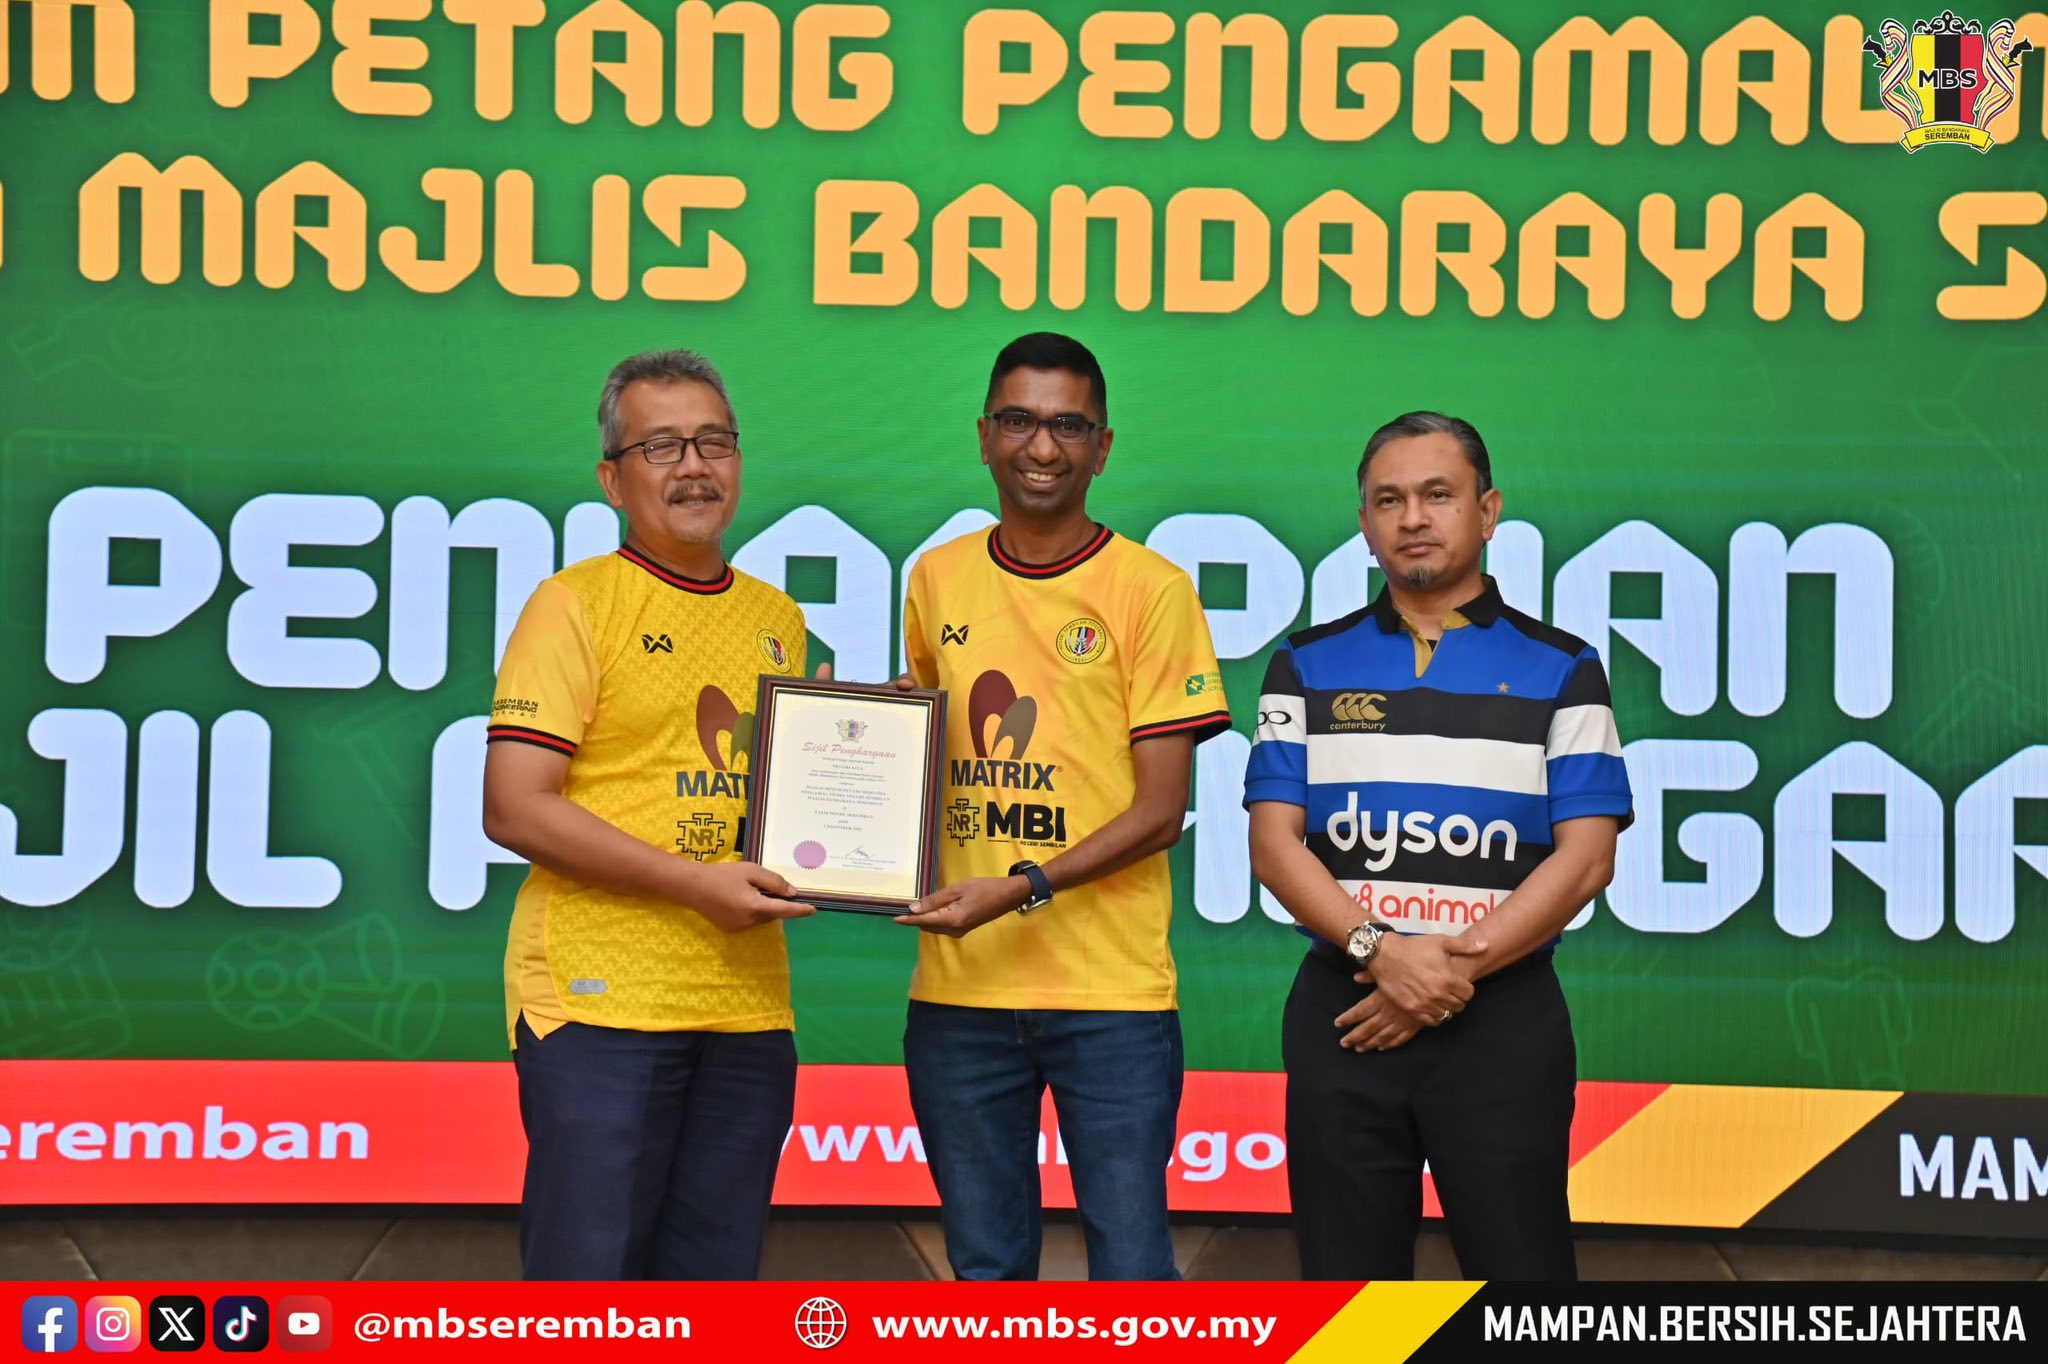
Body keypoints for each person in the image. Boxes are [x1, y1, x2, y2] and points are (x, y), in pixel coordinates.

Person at [1244, 410, 1632, 1281]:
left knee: (1526, 1284)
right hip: (1347, 1010)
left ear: (1487, 512)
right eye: (1389, 500)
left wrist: (1444, 975)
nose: (1412, 517)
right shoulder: (1303, 663)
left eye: (1437, 495)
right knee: (1348, 1303)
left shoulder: (1566, 667)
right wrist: (1384, 955)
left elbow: (1587, 859)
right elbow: (1273, 847)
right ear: (1364, 524)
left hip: (1503, 1018)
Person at [894, 332, 1231, 1280]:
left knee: (1131, 1273)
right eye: (1019, 421)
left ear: (1102, 446)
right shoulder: (937, 578)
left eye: (1068, 426)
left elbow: (1161, 811)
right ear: (984, 435)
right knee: (986, 1272)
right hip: (959, 993)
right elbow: (927, 747)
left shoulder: (1151, 590)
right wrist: (854, 743)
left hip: (1109, 998)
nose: (1041, 447)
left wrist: (1021, 887)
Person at [482, 348, 815, 1280]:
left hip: (745, 1008)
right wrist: (691, 884)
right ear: (612, 479)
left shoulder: (777, 619)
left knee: (713, 1302)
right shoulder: (574, 605)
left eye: (714, 442)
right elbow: (514, 806)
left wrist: (863, 747)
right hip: (599, 1006)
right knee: (588, 1302)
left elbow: (777, 808)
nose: (694, 467)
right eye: (661, 446)